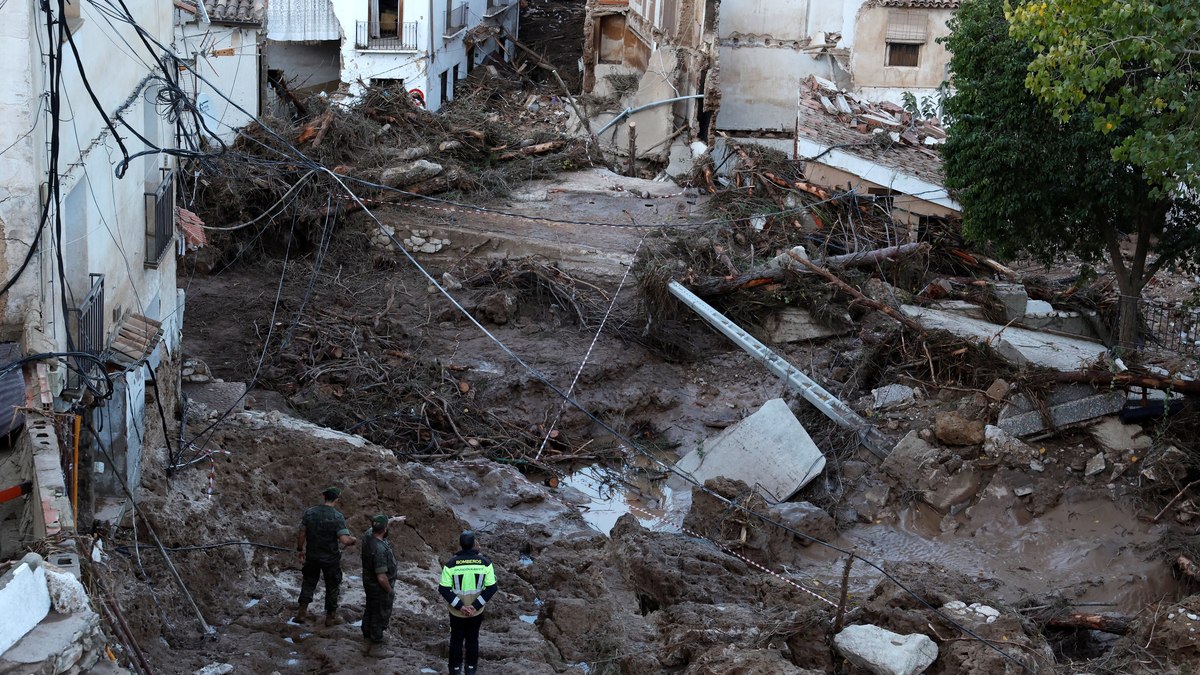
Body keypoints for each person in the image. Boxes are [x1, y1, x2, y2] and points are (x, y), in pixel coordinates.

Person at [295, 487, 356, 626]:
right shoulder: (337, 516)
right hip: (331, 559)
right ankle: (330, 617)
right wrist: (353, 540)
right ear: (336, 499)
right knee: (332, 585)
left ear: (325, 497)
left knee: (309, 582)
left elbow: (301, 533)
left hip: (312, 556)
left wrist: (300, 549)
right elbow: (344, 540)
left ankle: (301, 613)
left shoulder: (310, 513)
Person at [438, 530, 497, 675]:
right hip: (476, 612)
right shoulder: (485, 563)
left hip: (457, 612)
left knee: (456, 641)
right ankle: (471, 669)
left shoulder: (451, 564)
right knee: (472, 640)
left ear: (460, 544)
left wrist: (460, 606)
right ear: (474, 543)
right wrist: (474, 606)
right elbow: (492, 588)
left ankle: (455, 670)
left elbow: (444, 589)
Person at [361, 514, 405, 657]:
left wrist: (393, 519)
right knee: (380, 614)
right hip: (379, 587)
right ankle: (376, 645)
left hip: (368, 583)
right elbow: (381, 577)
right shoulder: (379, 549)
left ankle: (366, 638)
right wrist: (389, 591)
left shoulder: (368, 536)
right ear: (385, 529)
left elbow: (375, 527)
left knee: (370, 609)